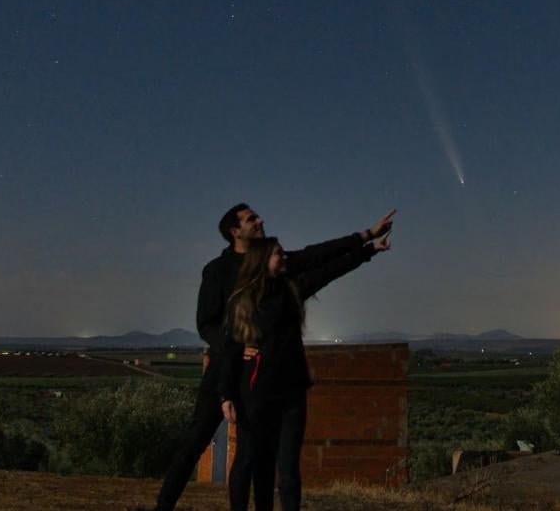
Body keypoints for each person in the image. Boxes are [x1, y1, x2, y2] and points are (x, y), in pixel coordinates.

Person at [149, 204, 395, 511]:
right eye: (252, 219)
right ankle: (163, 507)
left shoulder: (275, 264)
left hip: (262, 376)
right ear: (234, 231)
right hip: (227, 369)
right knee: (196, 442)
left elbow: (320, 258)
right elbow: (206, 324)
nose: (261, 220)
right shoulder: (218, 271)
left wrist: (366, 237)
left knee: (258, 454)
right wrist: (236, 347)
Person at [219, 231, 392, 511]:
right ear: (262, 260)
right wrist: (225, 394)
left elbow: (331, 270)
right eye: (278, 253)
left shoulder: (292, 289)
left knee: (288, 469)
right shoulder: (242, 301)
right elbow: (228, 349)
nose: (284, 256)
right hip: (256, 395)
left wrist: (369, 249)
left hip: (292, 395)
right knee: (249, 460)